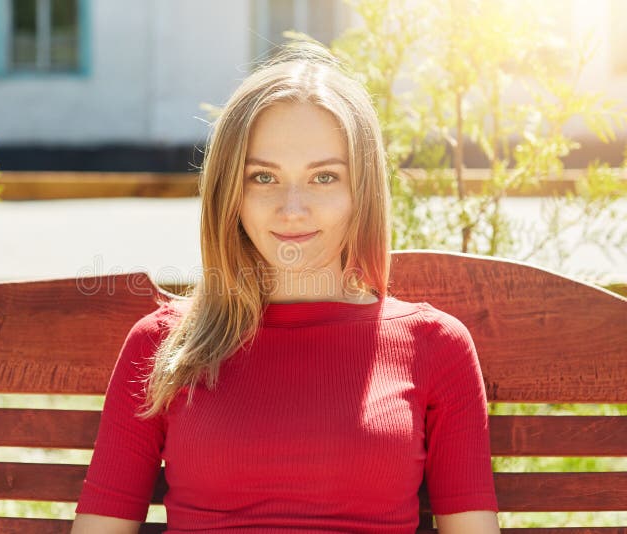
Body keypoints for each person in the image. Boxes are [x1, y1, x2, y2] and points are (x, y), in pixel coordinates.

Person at [71, 42, 500, 534]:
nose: (292, 208)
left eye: (323, 176)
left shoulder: (435, 346)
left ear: (361, 190)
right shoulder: (162, 347)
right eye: (263, 177)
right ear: (229, 193)